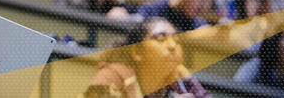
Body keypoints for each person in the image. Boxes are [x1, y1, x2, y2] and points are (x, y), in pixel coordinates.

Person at [80, 17, 210, 98]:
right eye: (160, 38)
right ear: (137, 52)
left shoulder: (180, 78)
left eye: (176, 40)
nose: (172, 45)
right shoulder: (114, 74)